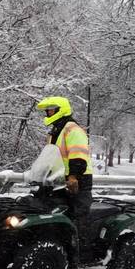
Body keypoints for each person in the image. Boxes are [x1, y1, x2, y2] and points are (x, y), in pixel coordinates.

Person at [36, 95, 93, 226]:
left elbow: (78, 155)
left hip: (78, 180)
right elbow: (51, 156)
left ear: (60, 110)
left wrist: (73, 176)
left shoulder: (72, 129)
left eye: (51, 109)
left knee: (78, 215)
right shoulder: (55, 131)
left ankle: (81, 243)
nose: (48, 112)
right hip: (59, 180)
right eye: (47, 110)